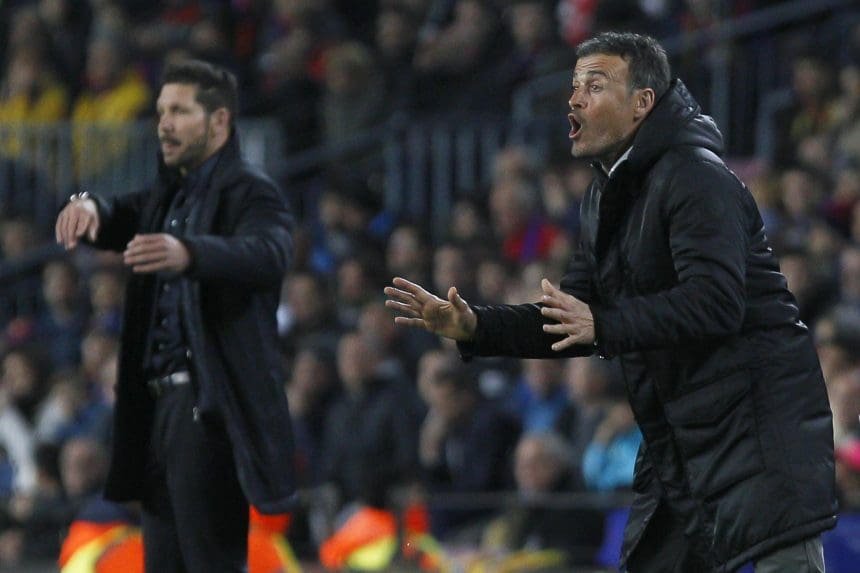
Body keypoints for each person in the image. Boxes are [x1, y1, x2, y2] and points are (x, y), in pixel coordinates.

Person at [385, 32, 837, 572]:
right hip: (682, 441)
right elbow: (571, 319)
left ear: (641, 104)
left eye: (594, 86)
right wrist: (475, 325)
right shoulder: (604, 194)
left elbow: (716, 302)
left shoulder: (697, 176)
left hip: (758, 437)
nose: (574, 99)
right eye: (574, 87)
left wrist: (604, 323)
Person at [55, 59, 296, 572]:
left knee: (210, 561)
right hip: (157, 409)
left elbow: (270, 252)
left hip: (208, 407)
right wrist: (87, 204)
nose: (163, 123)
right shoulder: (167, 197)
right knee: (162, 561)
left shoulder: (252, 191)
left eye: (180, 111)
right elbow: (114, 211)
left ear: (219, 122)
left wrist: (191, 253)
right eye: (161, 110)